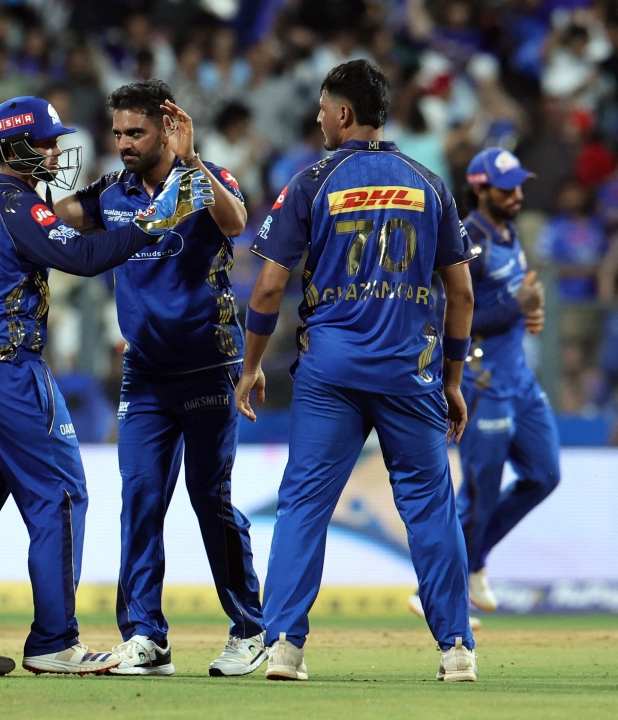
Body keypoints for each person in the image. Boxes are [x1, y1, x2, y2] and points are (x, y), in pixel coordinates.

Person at [0, 95, 214, 677]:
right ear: (14, 148)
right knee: (59, 497)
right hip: (10, 369)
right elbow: (82, 258)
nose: (57, 153)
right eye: (45, 143)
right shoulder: (18, 204)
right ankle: (54, 642)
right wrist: (152, 221)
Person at [235, 60, 479, 682]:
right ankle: (456, 648)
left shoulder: (312, 182)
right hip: (409, 373)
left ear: (344, 114)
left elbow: (268, 289)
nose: (318, 118)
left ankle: (284, 646)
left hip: (332, 374)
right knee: (430, 509)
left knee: (303, 504)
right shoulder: (429, 183)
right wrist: (452, 380)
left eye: (323, 108)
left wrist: (251, 366)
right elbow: (462, 293)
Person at [54, 79, 266, 677]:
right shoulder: (111, 192)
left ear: (168, 128)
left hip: (208, 367)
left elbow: (235, 222)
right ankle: (147, 636)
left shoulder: (204, 179)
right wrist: (20, 187)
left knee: (210, 500)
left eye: (136, 132)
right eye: (117, 132)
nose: (124, 143)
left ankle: (251, 629)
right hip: (144, 374)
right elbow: (55, 220)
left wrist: (194, 161)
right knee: (140, 500)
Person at [410, 149, 560, 620]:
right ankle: (434, 590)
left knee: (545, 475)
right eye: (506, 188)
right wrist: (516, 308)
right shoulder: (469, 238)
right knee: (479, 496)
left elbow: (504, 303)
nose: (516, 196)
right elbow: (448, 316)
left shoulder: (508, 233)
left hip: (520, 381)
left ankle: (473, 560)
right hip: (482, 383)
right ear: (480, 188)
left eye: (518, 187)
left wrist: (525, 315)